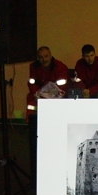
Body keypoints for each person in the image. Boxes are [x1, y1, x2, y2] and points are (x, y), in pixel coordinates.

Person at [27, 46, 69, 178]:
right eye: (40, 57)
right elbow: (31, 82)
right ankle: (33, 124)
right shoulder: (33, 66)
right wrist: (36, 93)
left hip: (56, 95)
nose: (44, 59)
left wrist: (47, 95)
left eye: (46, 56)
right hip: (39, 95)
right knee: (30, 101)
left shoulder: (60, 67)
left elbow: (62, 86)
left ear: (51, 55)